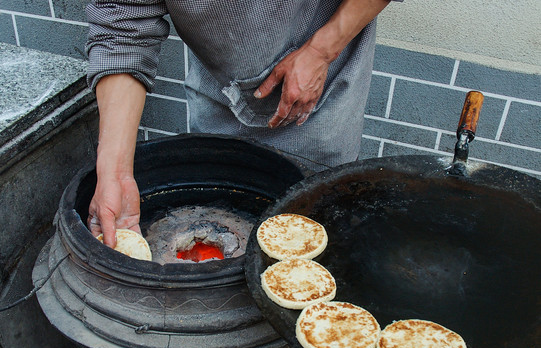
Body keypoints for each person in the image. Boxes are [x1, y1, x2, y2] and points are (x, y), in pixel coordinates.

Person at [85, 0, 399, 248]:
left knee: (315, 228)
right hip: (220, 83)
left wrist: (321, 50)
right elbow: (123, 30)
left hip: (319, 86)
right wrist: (115, 173)